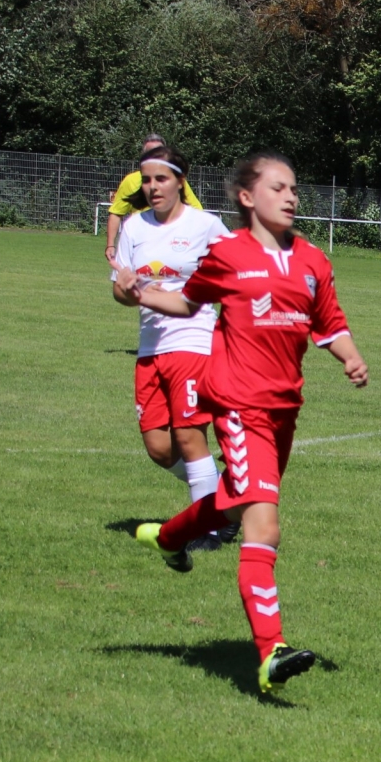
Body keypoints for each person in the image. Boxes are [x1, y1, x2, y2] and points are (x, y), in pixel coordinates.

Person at [128, 151, 369, 695]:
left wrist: (350, 356)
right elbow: (187, 303)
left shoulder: (313, 261)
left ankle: (169, 537)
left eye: (294, 188)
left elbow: (330, 323)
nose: (290, 196)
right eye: (277, 187)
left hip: (284, 410)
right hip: (238, 407)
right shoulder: (228, 254)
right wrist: (138, 292)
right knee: (263, 525)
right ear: (246, 197)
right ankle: (271, 653)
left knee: (236, 500)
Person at [108, 146, 230, 529]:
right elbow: (119, 292)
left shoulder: (205, 225)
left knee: (190, 436)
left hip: (193, 341)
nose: (153, 187)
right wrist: (129, 290)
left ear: (180, 181)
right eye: (147, 180)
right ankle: (224, 500)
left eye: (161, 179)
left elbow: (239, 273)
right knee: (160, 449)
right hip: (150, 348)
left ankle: (210, 527)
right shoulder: (134, 227)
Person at [104, 134, 204, 265]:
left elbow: (196, 211)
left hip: (171, 243)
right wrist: (110, 245)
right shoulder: (131, 181)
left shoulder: (176, 180)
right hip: (141, 244)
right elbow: (116, 213)